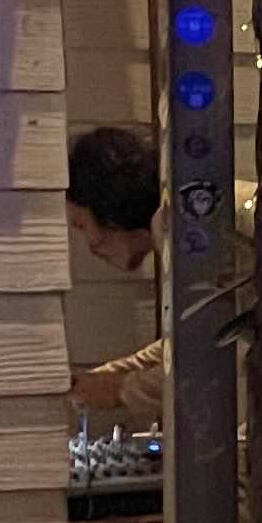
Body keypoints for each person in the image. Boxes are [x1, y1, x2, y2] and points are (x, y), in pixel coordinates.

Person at [66, 122, 165, 424]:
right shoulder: (173, 226)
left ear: (108, 205)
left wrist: (120, 389)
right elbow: (187, 343)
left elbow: (204, 359)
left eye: (82, 225)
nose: (91, 245)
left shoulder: (188, 234)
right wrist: (108, 377)